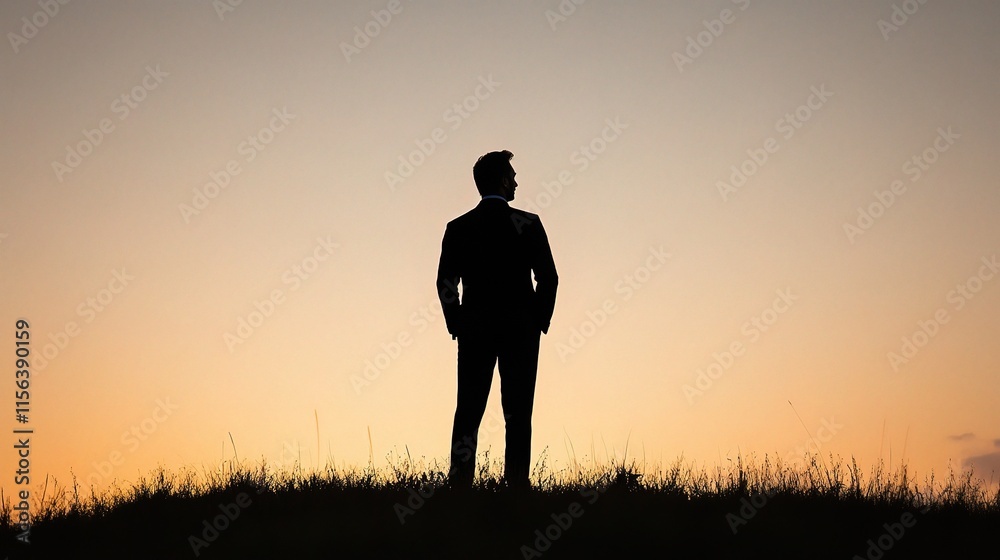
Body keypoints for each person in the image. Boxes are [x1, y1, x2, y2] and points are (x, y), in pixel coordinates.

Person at [436, 150, 558, 490]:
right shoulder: (527, 224)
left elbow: (446, 282)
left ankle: (460, 485)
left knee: (468, 411)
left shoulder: (459, 227)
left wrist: (457, 323)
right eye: (513, 175)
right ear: (503, 180)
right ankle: (516, 485)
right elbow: (548, 277)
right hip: (521, 331)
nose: (517, 181)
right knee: (518, 413)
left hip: (474, 329)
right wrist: (538, 320)